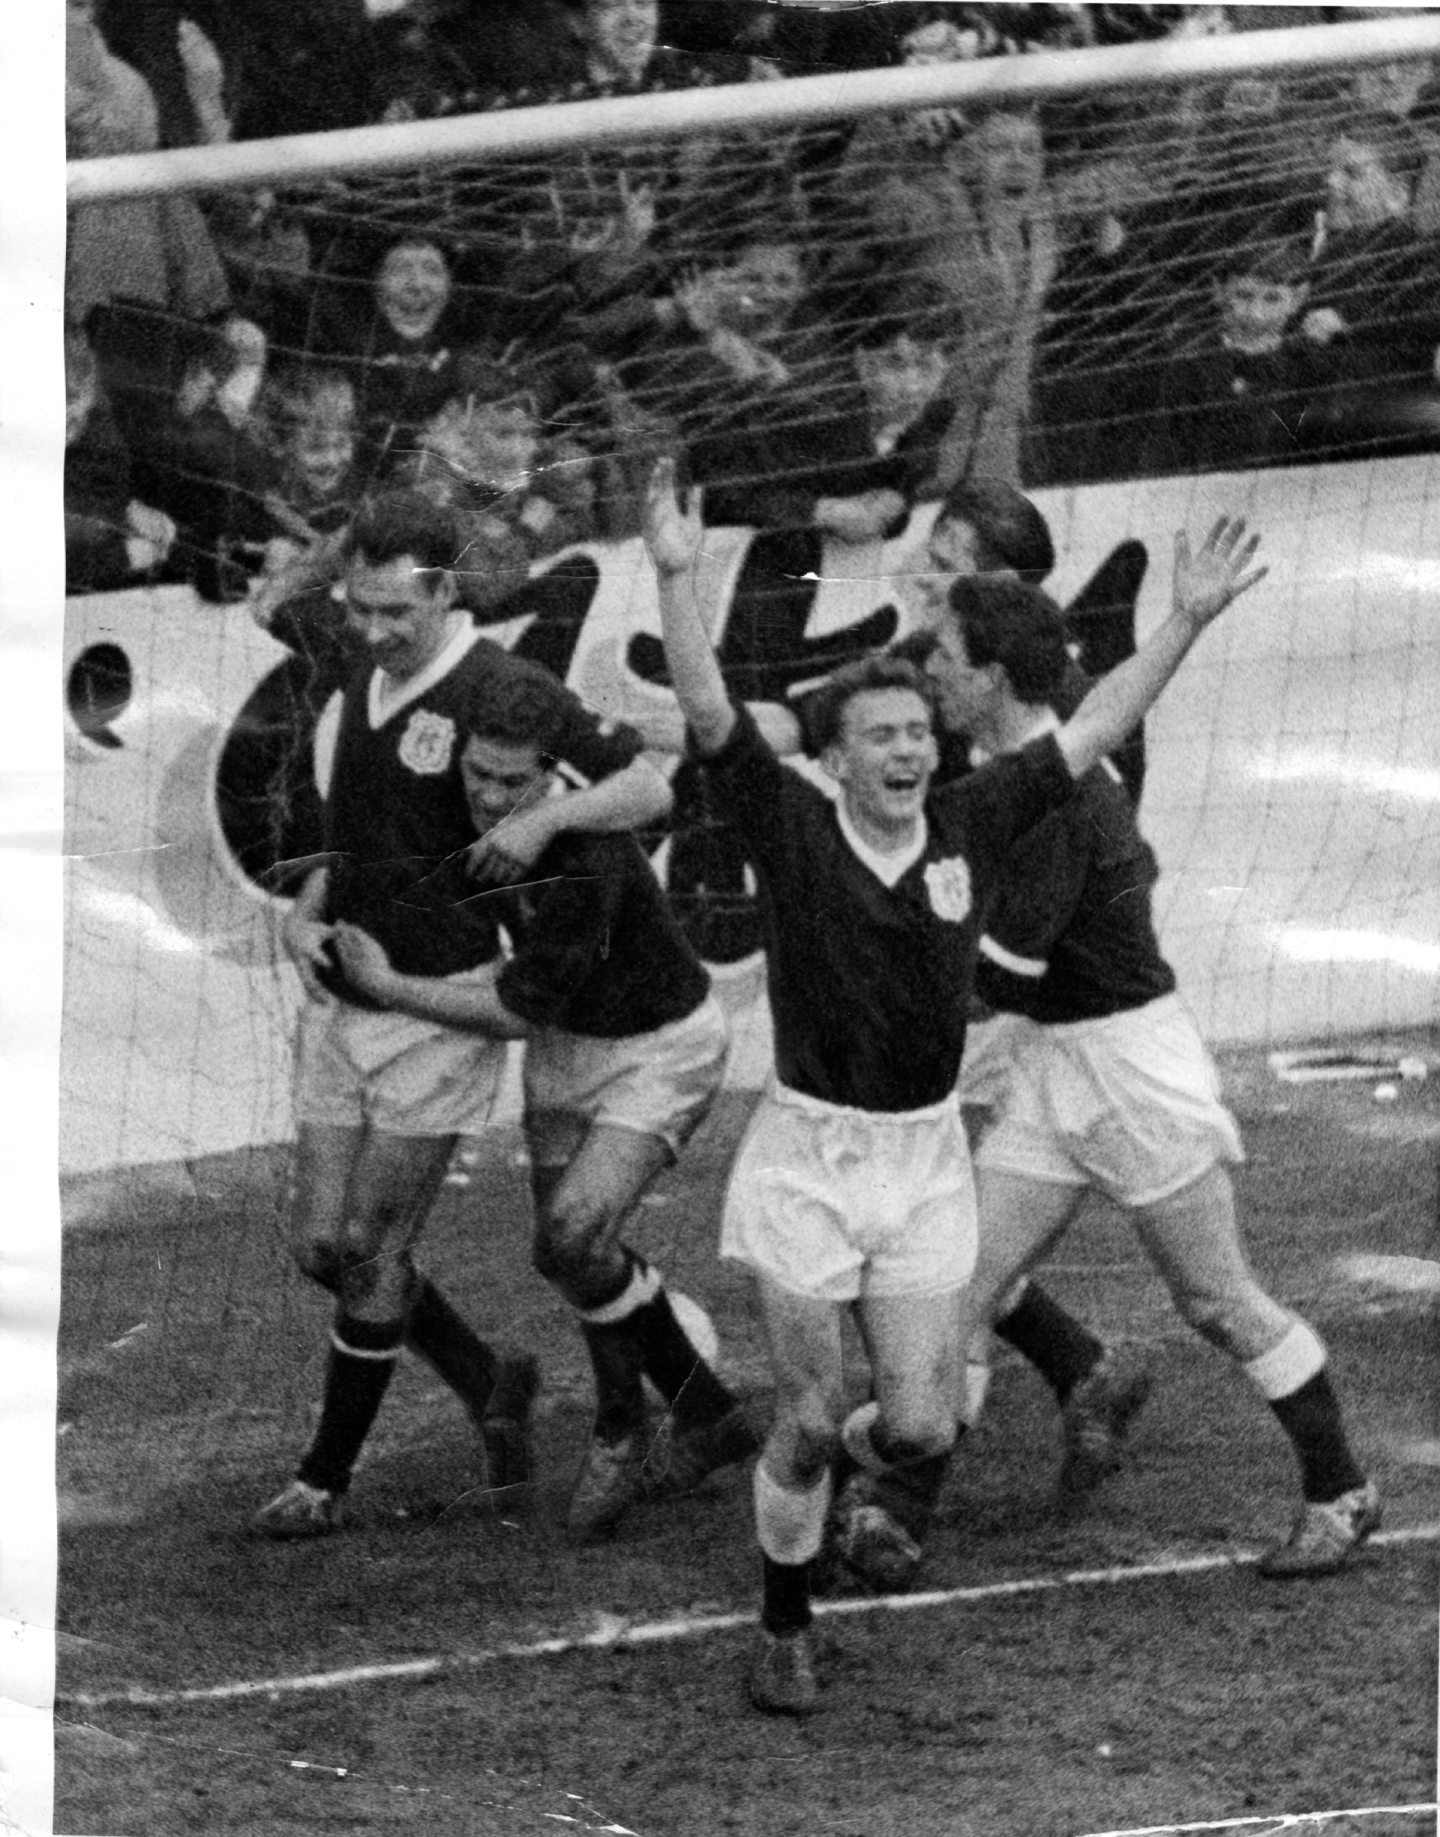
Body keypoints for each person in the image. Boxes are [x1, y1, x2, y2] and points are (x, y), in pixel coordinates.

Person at [643, 456, 1267, 1716]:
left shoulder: (971, 823)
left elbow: (1091, 729)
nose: (905, 750)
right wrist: (672, 577)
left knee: (919, 1429)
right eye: (879, 734)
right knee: (819, 1415)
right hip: (812, 1155)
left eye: (918, 734)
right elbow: (712, 720)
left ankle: (798, 1487)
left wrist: (1187, 620)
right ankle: (784, 1620)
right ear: (841, 753)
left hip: (924, 1158)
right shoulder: (794, 828)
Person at [926, 572, 1381, 1583]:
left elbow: (997, 981)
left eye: (942, 656)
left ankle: (1342, 1488)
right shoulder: (1029, 753)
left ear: (993, 674)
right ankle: (895, 1518)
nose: (927, 674)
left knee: (1220, 1303)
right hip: (1056, 1065)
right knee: (963, 1287)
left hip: (1131, 1069)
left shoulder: (1055, 798)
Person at [252, 489, 674, 1537]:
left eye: (400, 610)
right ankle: (489, 1376)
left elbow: (650, 789)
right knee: (318, 1247)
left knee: (370, 1239)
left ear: (447, 590)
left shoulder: (502, 685)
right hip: (341, 993)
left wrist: (545, 826)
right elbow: (276, 608)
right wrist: (306, 907)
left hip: (438, 1009)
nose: (378, 630)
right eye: (363, 607)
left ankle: (323, 1478)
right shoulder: (358, 658)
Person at [329, 683, 760, 1541]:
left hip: (657, 1046)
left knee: (572, 1235)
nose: (491, 794)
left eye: (514, 781)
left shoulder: (584, 860)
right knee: (565, 1253)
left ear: (549, 776)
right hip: (568, 1049)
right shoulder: (463, 814)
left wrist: (388, 989)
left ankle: (621, 1425)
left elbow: (519, 1012)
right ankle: (704, 1408)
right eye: (479, 774)